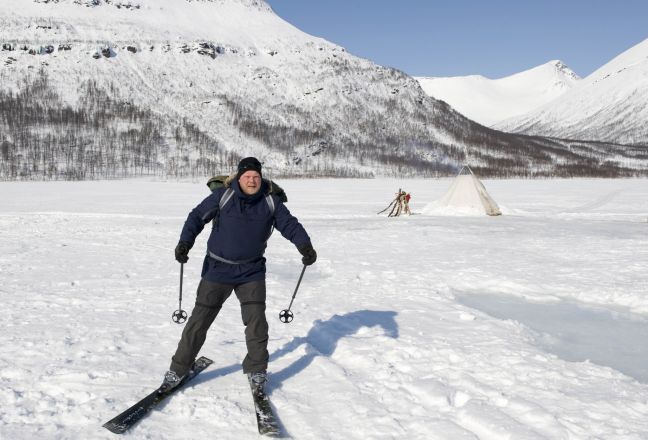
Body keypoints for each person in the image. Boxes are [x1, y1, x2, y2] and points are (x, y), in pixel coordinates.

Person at [162, 157, 317, 392]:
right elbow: (196, 217)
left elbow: (290, 225)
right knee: (199, 321)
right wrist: (185, 242)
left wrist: (304, 246)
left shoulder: (271, 201)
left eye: (256, 176)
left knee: (257, 323)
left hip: (251, 271)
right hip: (217, 268)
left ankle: (257, 371)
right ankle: (179, 368)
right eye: (247, 177)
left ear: (261, 177)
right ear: (239, 177)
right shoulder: (223, 197)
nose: (252, 181)